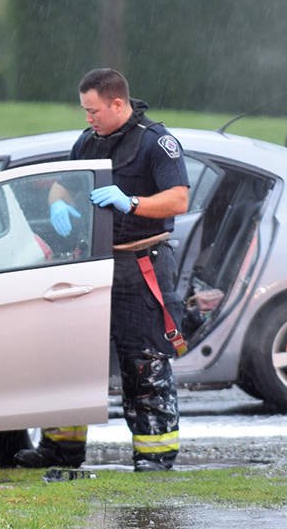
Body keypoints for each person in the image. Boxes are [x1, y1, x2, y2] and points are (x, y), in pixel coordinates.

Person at [15, 68, 190, 472]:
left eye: (93, 110)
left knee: (142, 361)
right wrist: (59, 201)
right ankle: (61, 449)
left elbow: (178, 199)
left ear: (117, 103)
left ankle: (154, 454)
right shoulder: (87, 141)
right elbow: (64, 184)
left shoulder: (156, 144)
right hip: (92, 264)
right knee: (72, 355)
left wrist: (130, 202)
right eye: (85, 111)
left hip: (141, 263)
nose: (88, 118)